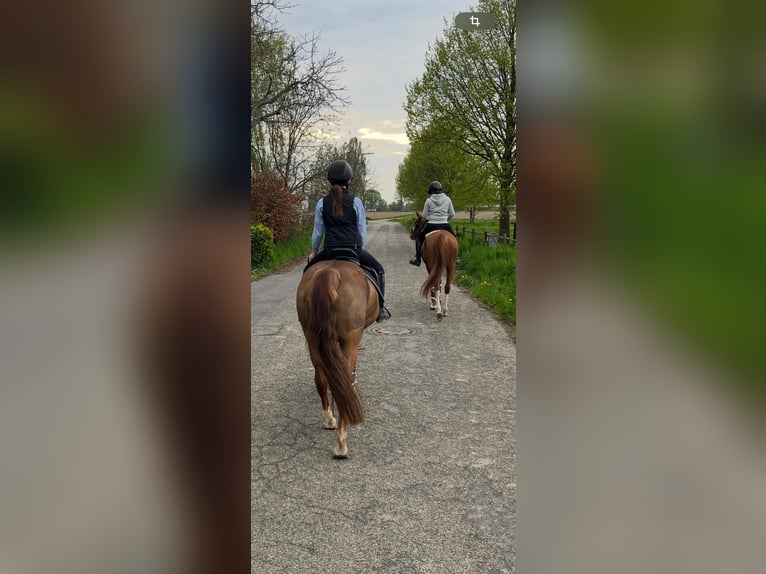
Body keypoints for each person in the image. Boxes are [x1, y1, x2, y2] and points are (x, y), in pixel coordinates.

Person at [305, 159, 391, 322]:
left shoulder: (321, 203)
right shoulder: (356, 202)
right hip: (353, 249)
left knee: (307, 272)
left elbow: (317, 232)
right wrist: (359, 248)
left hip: (329, 250)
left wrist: (315, 251)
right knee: (379, 270)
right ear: (349, 181)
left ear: (329, 181)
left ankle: (306, 310)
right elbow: (361, 230)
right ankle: (380, 310)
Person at [409, 181, 457, 267]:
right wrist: (446, 220)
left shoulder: (429, 200)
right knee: (454, 237)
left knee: (419, 239)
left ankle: (418, 259)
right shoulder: (447, 199)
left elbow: (423, 216)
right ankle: (456, 257)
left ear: (431, 191)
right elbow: (452, 214)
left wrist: (425, 220)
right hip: (445, 224)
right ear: (440, 190)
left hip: (431, 224)